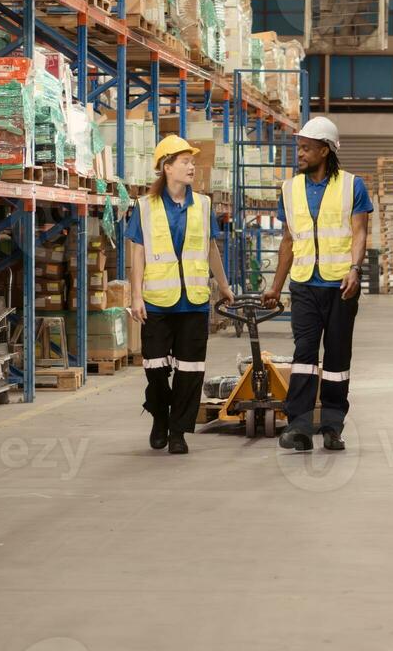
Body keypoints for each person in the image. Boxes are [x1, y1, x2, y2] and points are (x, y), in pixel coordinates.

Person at [261, 116, 372, 452]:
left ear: (325, 151)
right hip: (304, 285)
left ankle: (332, 425)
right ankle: (299, 426)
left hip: (341, 286)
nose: (301, 153)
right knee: (304, 354)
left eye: (307, 148)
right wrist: (275, 286)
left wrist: (354, 268)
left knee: (338, 359)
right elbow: (288, 241)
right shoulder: (289, 189)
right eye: (300, 147)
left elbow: (360, 232)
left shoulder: (353, 185)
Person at [126, 134, 234, 455]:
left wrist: (224, 285)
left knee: (191, 371)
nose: (192, 167)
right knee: (155, 369)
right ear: (166, 167)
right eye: (185, 162)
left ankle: (178, 431)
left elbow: (210, 248)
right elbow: (138, 253)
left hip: (194, 301)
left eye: (192, 161)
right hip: (158, 302)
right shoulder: (144, 207)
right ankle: (160, 416)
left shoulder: (203, 204)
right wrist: (135, 296)